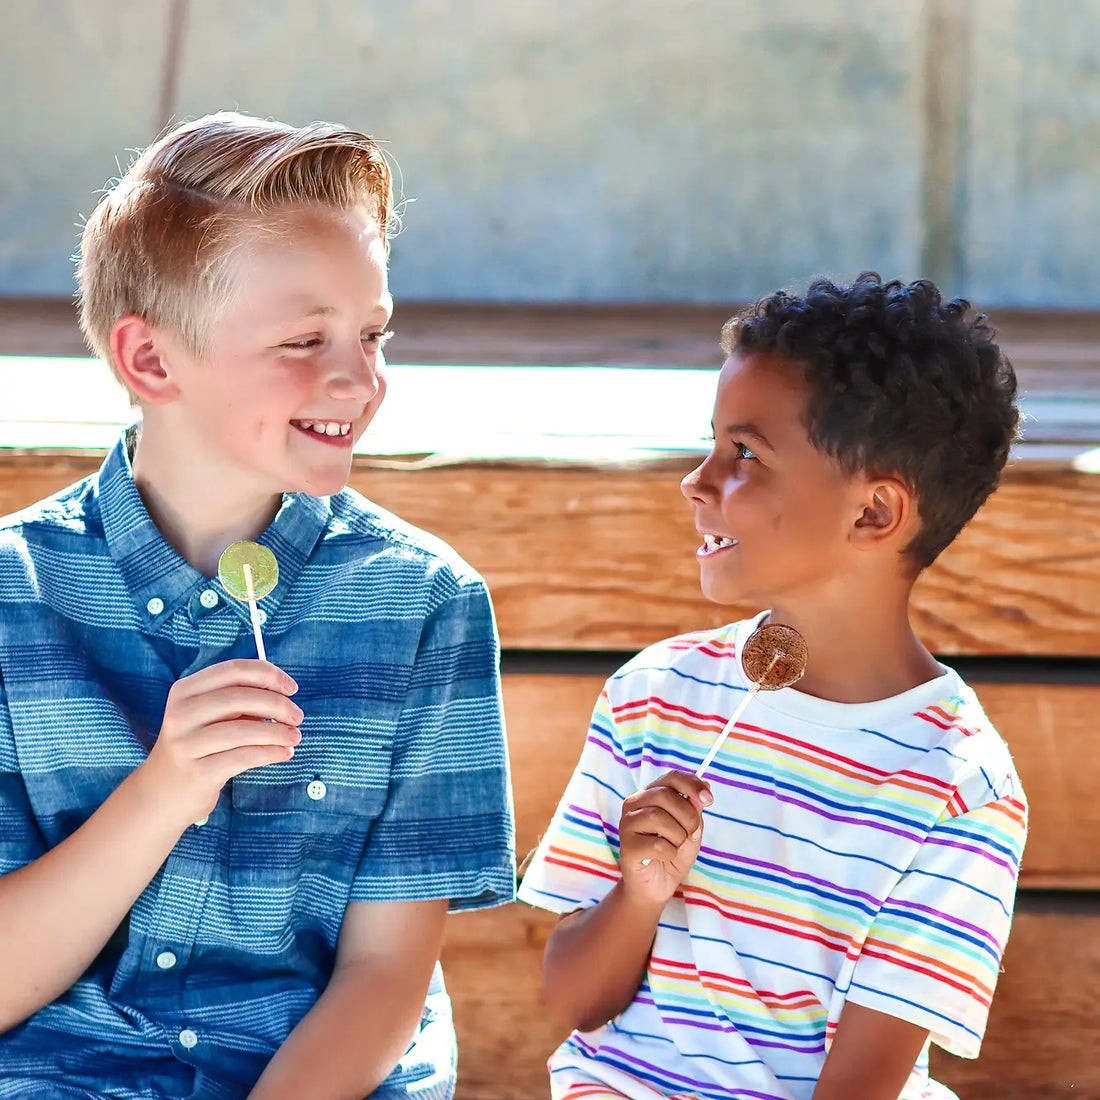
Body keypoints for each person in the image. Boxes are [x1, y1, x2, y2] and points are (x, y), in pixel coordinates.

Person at [0, 111, 514, 1099]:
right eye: (302, 338)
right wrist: (164, 789)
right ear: (151, 362)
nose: (356, 378)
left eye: (371, 333)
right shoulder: (15, 595)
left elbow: (385, 973)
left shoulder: (421, 603)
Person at [518, 273, 1027, 1100]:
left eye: (745, 454)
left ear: (873, 515)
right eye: (714, 445)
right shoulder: (654, 695)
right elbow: (574, 998)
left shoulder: (958, 786)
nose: (697, 480)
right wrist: (641, 894)